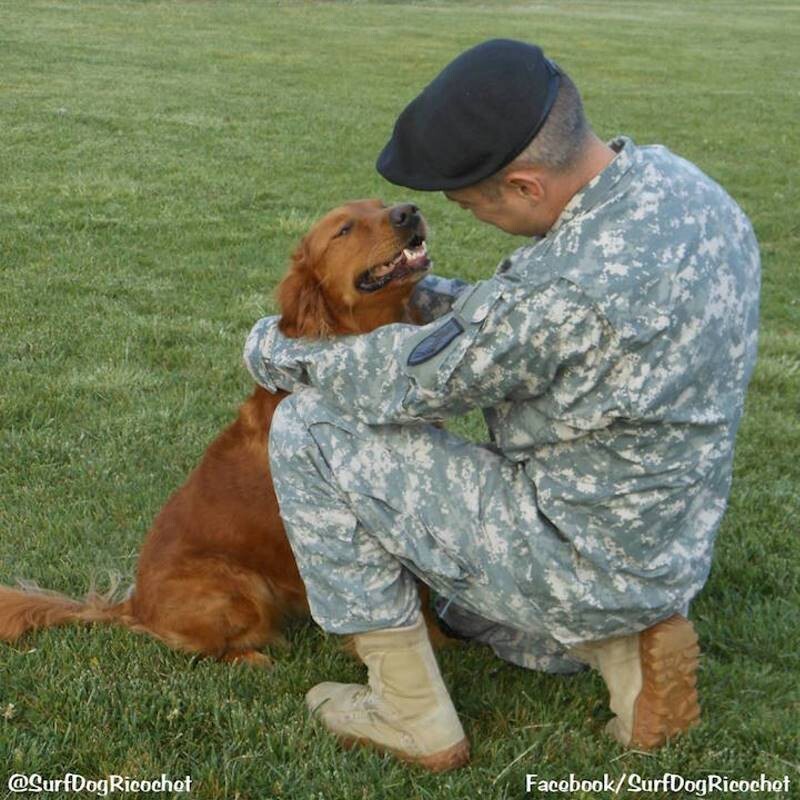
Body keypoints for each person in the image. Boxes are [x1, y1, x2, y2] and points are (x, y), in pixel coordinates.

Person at [244, 39, 760, 771]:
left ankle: (410, 713)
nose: (470, 217)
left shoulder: (562, 291)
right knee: (455, 602)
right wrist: (420, 290)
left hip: (574, 554)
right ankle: (626, 652)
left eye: (470, 204)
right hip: (664, 549)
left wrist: (272, 348)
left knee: (309, 426)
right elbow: (507, 322)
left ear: (523, 186)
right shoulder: (688, 191)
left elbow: (409, 378)